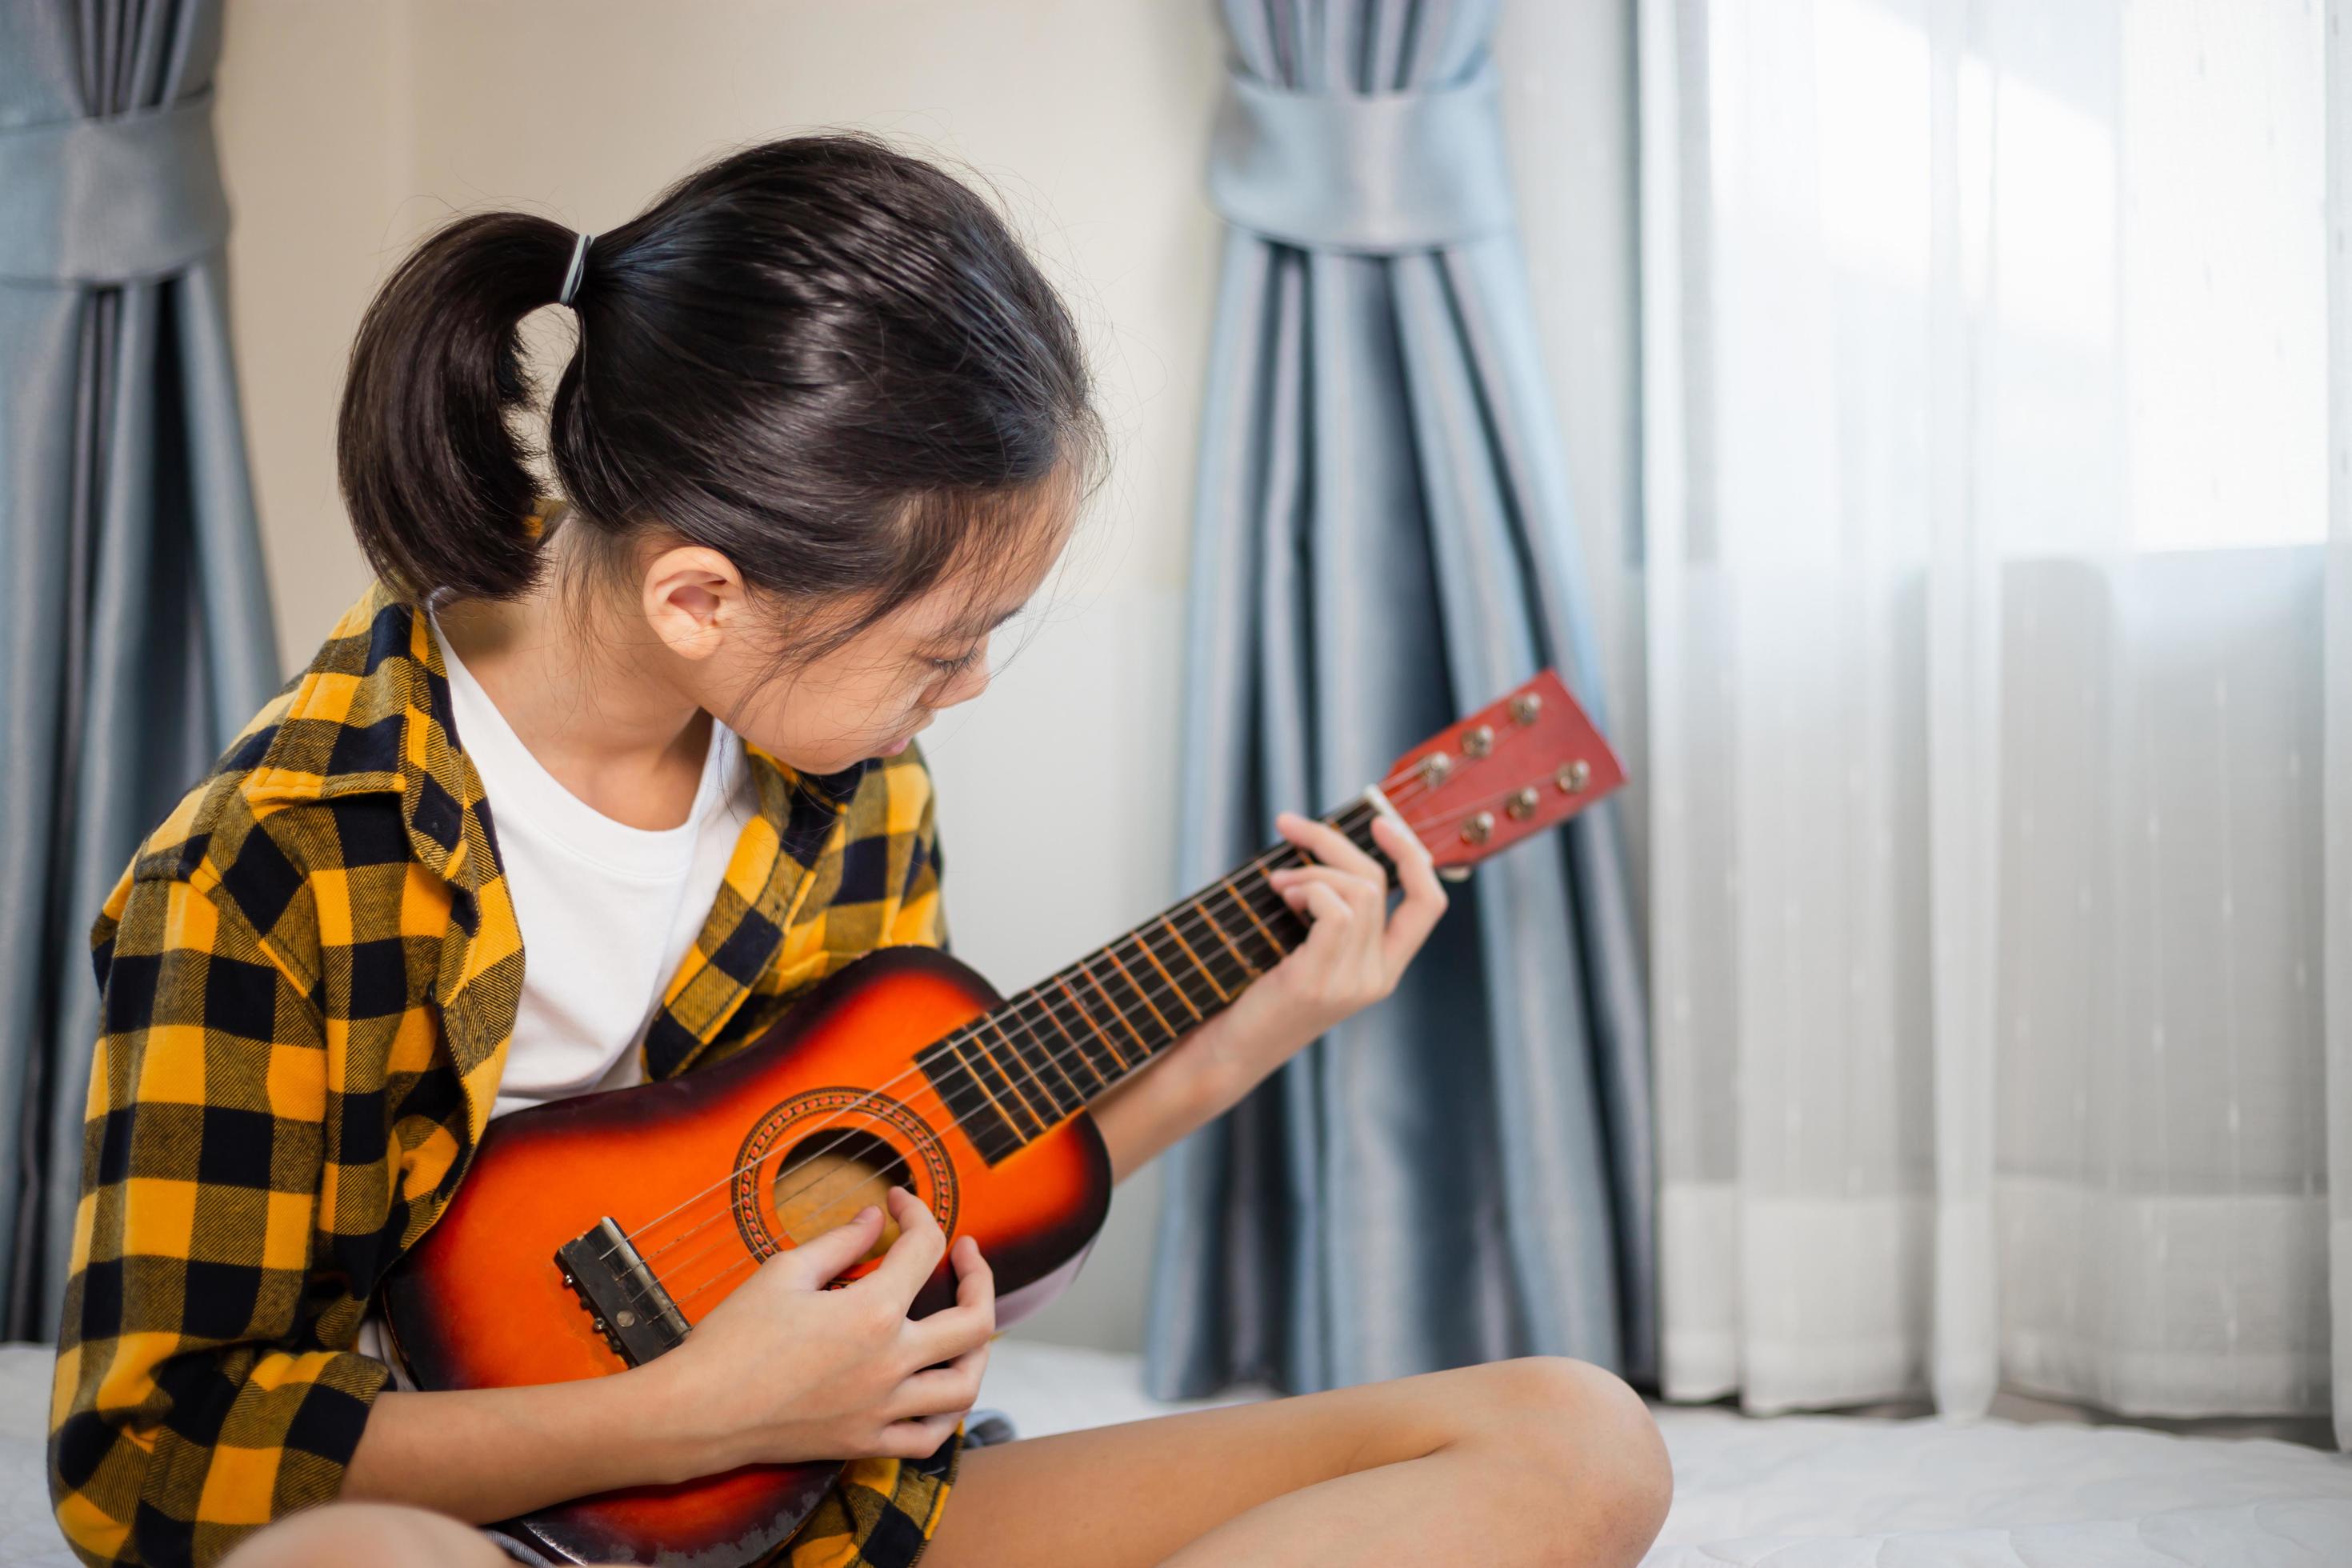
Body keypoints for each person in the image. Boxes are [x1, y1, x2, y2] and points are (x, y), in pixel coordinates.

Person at [47, 131, 1671, 1568]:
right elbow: (151, 1455)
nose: (963, 690)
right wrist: (678, 1414)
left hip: (827, 1517)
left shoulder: (853, 780)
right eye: (940, 644)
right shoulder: (270, 864)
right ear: (702, 597)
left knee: (1575, 1437)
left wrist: (1277, 1013)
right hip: (477, 1522)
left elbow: (927, 1159)